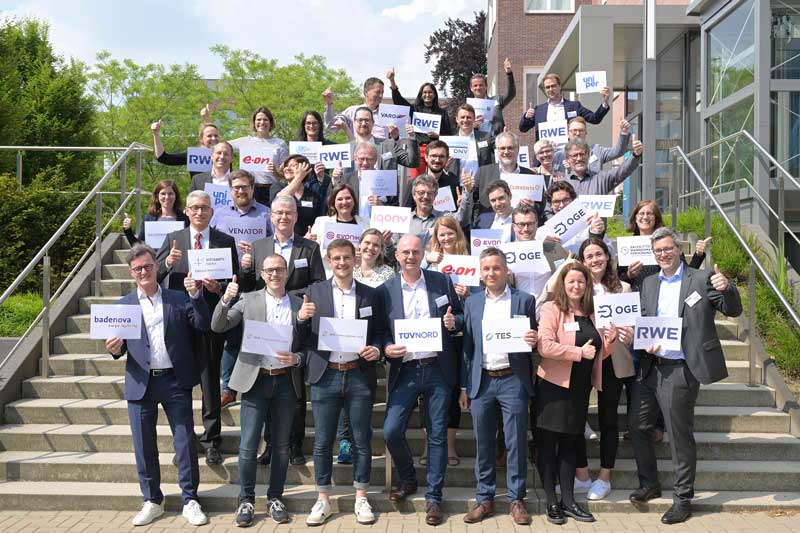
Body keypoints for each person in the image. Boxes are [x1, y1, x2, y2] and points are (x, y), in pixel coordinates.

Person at [628, 227, 742, 525]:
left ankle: (682, 498)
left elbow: (732, 309)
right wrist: (636, 336)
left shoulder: (701, 279)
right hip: (650, 366)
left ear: (680, 249)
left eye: (668, 249)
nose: (663, 254)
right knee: (638, 425)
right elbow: (644, 319)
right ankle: (650, 483)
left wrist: (727, 287)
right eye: (658, 251)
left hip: (681, 368)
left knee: (678, 436)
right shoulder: (649, 283)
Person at [104, 243, 210, 527]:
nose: (144, 272)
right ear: (131, 272)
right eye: (138, 269)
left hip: (176, 380)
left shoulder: (178, 298)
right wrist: (114, 348)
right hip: (141, 382)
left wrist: (196, 295)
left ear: (156, 266)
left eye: (148, 266)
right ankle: (153, 499)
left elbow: (202, 324)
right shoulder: (123, 306)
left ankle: (190, 499)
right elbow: (118, 349)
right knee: (143, 444)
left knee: (185, 441)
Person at [296, 239, 385, 526]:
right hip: (326, 374)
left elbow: (382, 333)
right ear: (329, 260)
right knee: (322, 441)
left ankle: (361, 496)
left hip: (359, 374)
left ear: (355, 259)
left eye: (347, 258)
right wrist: (300, 318)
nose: (342, 263)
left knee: (361, 439)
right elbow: (300, 336)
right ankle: (323, 499)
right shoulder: (314, 292)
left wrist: (378, 349)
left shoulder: (371, 295)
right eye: (336, 259)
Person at [210, 255, 304, 527]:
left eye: (280, 269)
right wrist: (225, 299)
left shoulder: (300, 304)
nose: (275, 274)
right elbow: (218, 325)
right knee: (248, 446)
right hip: (255, 380)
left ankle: (275, 497)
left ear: (287, 273)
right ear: (262, 274)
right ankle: (246, 499)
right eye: (270, 270)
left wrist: (297, 358)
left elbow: (307, 341)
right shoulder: (248, 300)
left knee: (282, 447)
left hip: (286, 381)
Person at [378, 235, 464, 526]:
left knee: (437, 434)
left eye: (416, 251)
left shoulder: (441, 281)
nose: (411, 256)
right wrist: (387, 347)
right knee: (391, 430)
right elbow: (381, 331)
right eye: (406, 252)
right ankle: (408, 478)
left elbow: (459, 317)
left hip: (438, 369)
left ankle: (434, 498)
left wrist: (455, 323)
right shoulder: (386, 290)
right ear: (397, 256)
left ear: (423, 254)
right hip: (406, 370)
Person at [155, 190, 239, 466]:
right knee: (180, 384)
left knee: (210, 382)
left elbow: (235, 284)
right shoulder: (173, 240)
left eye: (204, 208)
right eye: (194, 208)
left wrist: (220, 287)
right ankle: (185, 440)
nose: (199, 212)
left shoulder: (225, 241)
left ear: (211, 212)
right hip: (181, 319)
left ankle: (212, 439)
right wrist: (168, 262)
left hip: (211, 319)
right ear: (187, 212)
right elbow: (154, 276)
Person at [459, 247, 537, 525]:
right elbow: (467, 349)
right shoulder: (472, 303)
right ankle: (485, 499)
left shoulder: (525, 300)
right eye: (486, 269)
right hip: (482, 381)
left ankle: (516, 499)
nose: (491, 273)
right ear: (480, 273)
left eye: (496, 268)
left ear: (506, 270)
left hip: (513, 380)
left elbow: (534, 338)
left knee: (515, 442)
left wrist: (532, 339)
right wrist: (464, 387)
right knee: (483, 444)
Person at [536, 262, 618, 525]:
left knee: (572, 444)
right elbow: (545, 346)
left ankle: (569, 501)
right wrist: (577, 353)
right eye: (571, 281)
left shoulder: (593, 312)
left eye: (581, 282)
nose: (576, 286)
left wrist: (612, 342)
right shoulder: (552, 309)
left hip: (580, 388)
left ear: (587, 285)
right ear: (563, 283)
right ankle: (551, 501)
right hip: (553, 387)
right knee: (549, 445)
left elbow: (597, 354)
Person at [207, 169, 274, 410]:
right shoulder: (220, 216)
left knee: (257, 335)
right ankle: (227, 388)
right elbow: (211, 245)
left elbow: (275, 247)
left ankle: (255, 383)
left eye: (245, 187)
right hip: (229, 283)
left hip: (259, 283)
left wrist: (255, 255)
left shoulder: (266, 215)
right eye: (236, 187)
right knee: (231, 338)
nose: (241, 191)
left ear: (253, 188)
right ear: (230, 190)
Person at [575, 238, 635, 500]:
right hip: (583, 358)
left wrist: (627, 334)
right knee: (576, 418)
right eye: (588, 256)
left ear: (607, 256)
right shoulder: (576, 288)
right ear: (582, 261)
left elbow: (633, 329)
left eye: (598, 254)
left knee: (608, 420)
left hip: (613, 360)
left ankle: (605, 477)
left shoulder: (624, 288)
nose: (594, 260)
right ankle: (582, 474)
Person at [420, 216, 471, 466]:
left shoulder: (470, 259)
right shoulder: (428, 263)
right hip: (430, 334)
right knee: (427, 393)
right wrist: (425, 260)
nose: (446, 238)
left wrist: (469, 293)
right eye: (442, 234)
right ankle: (429, 446)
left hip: (459, 335)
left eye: (450, 233)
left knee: (451, 391)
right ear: (436, 237)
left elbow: (484, 296)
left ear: (457, 234)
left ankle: (450, 447)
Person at [621, 200, 710, 293]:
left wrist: (698, 255)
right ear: (635, 217)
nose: (645, 217)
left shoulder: (669, 243)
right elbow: (618, 280)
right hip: (635, 300)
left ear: (656, 218)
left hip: (663, 297)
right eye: (641, 213)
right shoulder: (627, 245)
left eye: (649, 213)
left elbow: (686, 273)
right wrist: (629, 275)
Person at [387, 69, 453, 177]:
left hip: (436, 150)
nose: (427, 95)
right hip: (418, 150)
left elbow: (449, 135)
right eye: (425, 92)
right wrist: (392, 81)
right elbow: (398, 100)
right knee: (417, 180)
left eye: (430, 92)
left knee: (436, 180)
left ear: (435, 94)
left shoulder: (442, 113)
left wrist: (438, 136)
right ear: (421, 94)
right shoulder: (414, 109)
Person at [519, 73, 610, 143]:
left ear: (559, 86)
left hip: (568, 157)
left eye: (553, 86)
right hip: (545, 158)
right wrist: (526, 117)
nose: (550, 89)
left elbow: (595, 119)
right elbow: (523, 129)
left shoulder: (574, 106)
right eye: (547, 87)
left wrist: (605, 103)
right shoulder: (538, 110)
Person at [475, 131, 542, 221]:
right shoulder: (483, 172)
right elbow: (473, 202)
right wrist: (467, 191)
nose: (506, 152)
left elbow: (540, 208)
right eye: (502, 148)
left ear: (518, 150)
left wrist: (532, 206)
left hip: (521, 227)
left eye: (510, 148)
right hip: (492, 227)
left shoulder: (531, 175)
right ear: (497, 150)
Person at [307, 183, 370, 277]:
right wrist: (308, 242)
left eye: (348, 198)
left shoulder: (367, 223)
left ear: (354, 201)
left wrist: (363, 255)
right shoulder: (321, 223)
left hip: (358, 276)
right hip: (329, 276)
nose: (344, 202)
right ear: (333, 202)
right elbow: (313, 254)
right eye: (340, 199)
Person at [229, 106, 289, 204]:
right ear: (254, 123)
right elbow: (219, 146)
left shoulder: (280, 144)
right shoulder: (244, 141)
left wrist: (275, 172)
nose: (262, 122)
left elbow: (285, 175)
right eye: (258, 119)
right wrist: (207, 120)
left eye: (265, 120)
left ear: (271, 123)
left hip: (270, 190)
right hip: (248, 190)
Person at [538, 181, 610, 255]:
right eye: (556, 201)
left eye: (566, 200)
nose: (562, 205)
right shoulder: (541, 233)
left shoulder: (590, 226)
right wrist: (545, 249)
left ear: (573, 201)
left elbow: (610, 254)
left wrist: (596, 235)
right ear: (551, 205)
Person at [406, 175, 474, 244]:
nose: (425, 196)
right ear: (414, 195)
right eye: (421, 192)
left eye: (430, 193)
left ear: (435, 196)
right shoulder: (404, 219)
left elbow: (463, 219)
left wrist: (467, 191)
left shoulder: (444, 217)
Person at [563, 139, 642, 196]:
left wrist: (635, 155)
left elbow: (622, 171)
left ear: (588, 155)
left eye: (582, 154)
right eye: (574, 155)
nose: (579, 158)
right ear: (568, 159)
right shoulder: (562, 184)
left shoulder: (601, 178)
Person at [552, 117, 631, 174]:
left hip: (591, 195)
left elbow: (618, 151)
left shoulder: (596, 151)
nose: (578, 133)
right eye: (574, 130)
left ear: (586, 133)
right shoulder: (559, 155)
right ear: (568, 134)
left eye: (581, 130)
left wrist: (623, 133)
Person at [122, 180, 189, 246]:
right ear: (157, 196)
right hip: (155, 256)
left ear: (176, 196)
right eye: (163, 193)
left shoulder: (185, 219)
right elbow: (139, 247)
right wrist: (128, 230)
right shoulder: (149, 218)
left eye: (170, 193)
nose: (167, 197)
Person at [274, 154, 328, 234]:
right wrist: (299, 177)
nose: (288, 168)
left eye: (293, 165)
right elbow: (281, 199)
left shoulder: (313, 195)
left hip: (307, 242)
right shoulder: (278, 187)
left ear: (304, 169)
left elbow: (319, 221)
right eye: (286, 165)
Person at [151, 117, 220, 178]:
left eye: (216, 136)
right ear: (201, 139)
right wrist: (156, 134)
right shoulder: (195, 155)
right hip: (199, 192)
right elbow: (163, 158)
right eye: (209, 136)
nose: (213, 138)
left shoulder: (224, 154)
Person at [401, 140, 460, 211]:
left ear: (447, 159)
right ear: (426, 157)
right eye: (433, 156)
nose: (437, 160)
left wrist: (461, 207)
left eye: (441, 156)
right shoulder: (413, 183)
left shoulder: (453, 183)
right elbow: (406, 213)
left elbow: (458, 216)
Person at [324, 77, 388, 141]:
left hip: (382, 150)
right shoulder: (352, 111)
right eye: (378, 92)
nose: (381, 96)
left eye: (382, 92)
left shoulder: (388, 113)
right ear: (366, 92)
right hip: (358, 149)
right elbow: (331, 126)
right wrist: (329, 104)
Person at [468, 59, 515, 136]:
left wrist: (509, 73)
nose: (478, 88)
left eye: (481, 85)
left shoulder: (496, 100)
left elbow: (510, 94)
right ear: (471, 88)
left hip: (496, 140)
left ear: (486, 86)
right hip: (479, 141)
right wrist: (473, 126)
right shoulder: (468, 107)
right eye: (475, 85)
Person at [446, 104, 495, 178]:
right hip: (457, 186)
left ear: (474, 119)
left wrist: (505, 137)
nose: (465, 120)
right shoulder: (449, 142)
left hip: (481, 186)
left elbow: (500, 148)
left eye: (468, 117)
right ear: (457, 119)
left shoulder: (486, 137)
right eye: (462, 117)